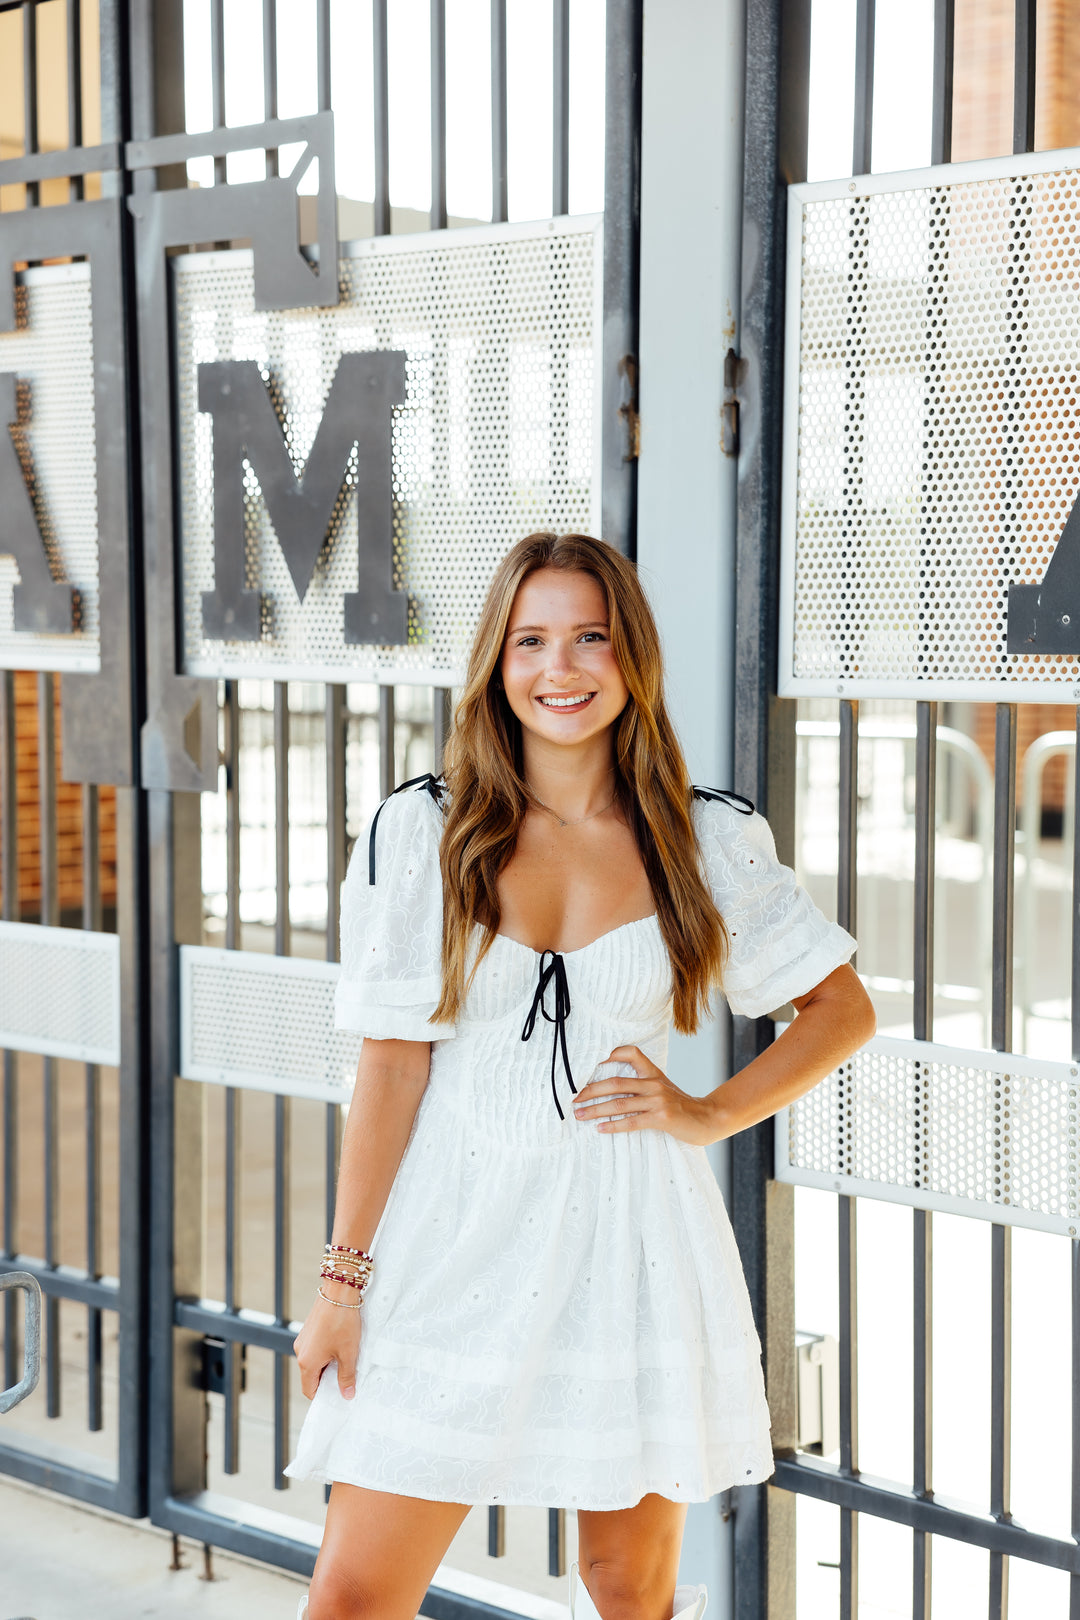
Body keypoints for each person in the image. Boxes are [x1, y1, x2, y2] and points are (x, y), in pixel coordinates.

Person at [287, 532, 875, 1620]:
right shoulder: (426, 829)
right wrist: (341, 1286)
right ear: (496, 663)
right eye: (533, 641)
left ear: (631, 656)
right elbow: (389, 1068)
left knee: (626, 1589)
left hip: (631, 1234)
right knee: (355, 1595)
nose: (562, 669)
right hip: (452, 1233)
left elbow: (843, 1009)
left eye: (591, 638)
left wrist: (709, 1115)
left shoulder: (703, 839)